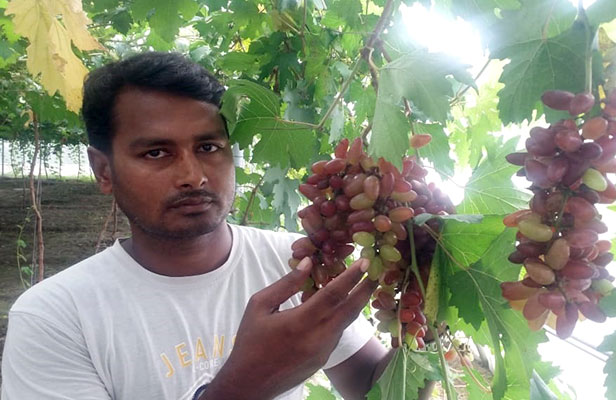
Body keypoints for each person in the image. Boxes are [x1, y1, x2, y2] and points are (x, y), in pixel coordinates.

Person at [1, 52, 391, 400]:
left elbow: (375, 388)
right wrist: (249, 384)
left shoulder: (295, 262)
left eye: (208, 148)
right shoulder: (54, 318)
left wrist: (426, 294)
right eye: (156, 152)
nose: (193, 176)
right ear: (103, 171)